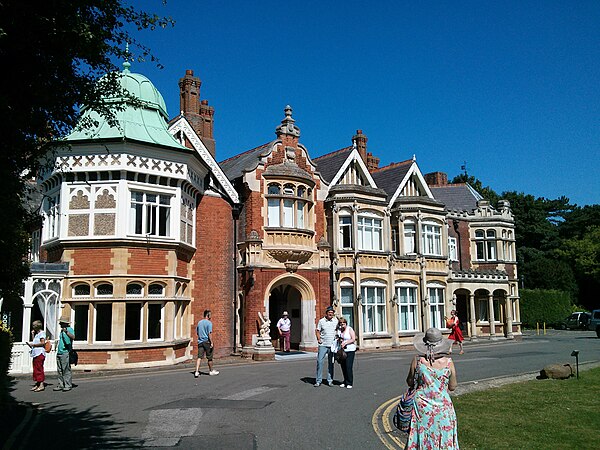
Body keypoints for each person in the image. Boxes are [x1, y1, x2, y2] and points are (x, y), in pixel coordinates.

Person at [405, 327, 459, 449]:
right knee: (444, 437)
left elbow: (409, 381)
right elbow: (453, 386)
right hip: (443, 409)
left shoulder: (418, 360)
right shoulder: (448, 362)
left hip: (422, 408)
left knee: (422, 436)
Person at [314, 306, 338, 387]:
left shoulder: (335, 321)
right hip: (323, 345)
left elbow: (338, 330)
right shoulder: (321, 321)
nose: (330, 314)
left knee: (331, 363)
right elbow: (317, 331)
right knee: (320, 362)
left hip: (332, 345)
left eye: (332, 313)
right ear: (326, 313)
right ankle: (318, 380)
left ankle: (330, 380)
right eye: (329, 313)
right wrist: (318, 339)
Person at [194, 309, 219, 378]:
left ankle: (196, 372)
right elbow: (209, 334)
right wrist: (211, 342)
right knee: (209, 358)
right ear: (207, 315)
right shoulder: (209, 323)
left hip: (200, 342)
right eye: (210, 315)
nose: (211, 316)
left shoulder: (199, 323)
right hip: (207, 342)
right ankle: (211, 371)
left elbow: (197, 332)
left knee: (199, 357)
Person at [54, 314, 75, 392]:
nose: (60, 324)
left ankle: (68, 385)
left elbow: (73, 337)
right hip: (60, 352)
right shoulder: (61, 331)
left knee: (66, 369)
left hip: (65, 352)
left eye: (61, 323)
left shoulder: (69, 329)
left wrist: (66, 332)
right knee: (59, 370)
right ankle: (61, 384)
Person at [336, 317, 356, 389]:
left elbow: (353, 339)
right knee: (343, 367)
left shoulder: (349, 329)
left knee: (348, 366)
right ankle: (345, 381)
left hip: (350, 350)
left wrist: (346, 342)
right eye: (341, 323)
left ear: (346, 324)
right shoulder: (339, 330)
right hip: (342, 351)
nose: (342, 325)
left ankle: (349, 382)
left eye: (343, 323)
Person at [27, 320, 47, 392]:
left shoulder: (42, 333)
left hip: (40, 353)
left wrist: (34, 345)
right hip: (35, 353)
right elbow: (35, 341)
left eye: (34, 325)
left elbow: (42, 343)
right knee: (35, 369)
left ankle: (41, 384)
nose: (33, 327)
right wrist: (32, 335)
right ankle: (37, 383)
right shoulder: (37, 334)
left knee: (39, 369)